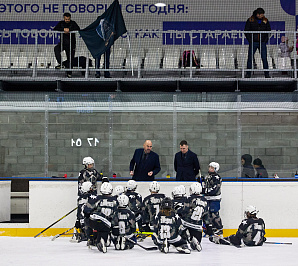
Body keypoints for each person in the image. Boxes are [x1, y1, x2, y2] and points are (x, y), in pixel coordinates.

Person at [83, 182, 118, 253]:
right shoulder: (115, 200)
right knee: (104, 230)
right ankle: (104, 240)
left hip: (95, 220)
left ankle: (92, 239)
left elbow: (86, 210)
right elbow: (116, 215)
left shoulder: (96, 198)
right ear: (111, 190)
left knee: (88, 220)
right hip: (106, 224)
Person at [179, 183, 208, 252]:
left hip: (187, 224)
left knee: (180, 236)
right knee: (195, 245)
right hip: (198, 226)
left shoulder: (188, 199)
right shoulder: (205, 200)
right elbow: (206, 215)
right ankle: (194, 239)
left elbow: (183, 211)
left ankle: (188, 238)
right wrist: (208, 227)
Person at [244, 8, 271, 78]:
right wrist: (250, 40)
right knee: (250, 58)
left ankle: (267, 74)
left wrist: (265, 40)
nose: (262, 15)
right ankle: (248, 74)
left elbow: (269, 30)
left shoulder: (265, 20)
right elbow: (246, 31)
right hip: (253, 42)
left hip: (262, 42)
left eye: (263, 14)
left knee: (264, 58)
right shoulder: (250, 20)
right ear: (257, 14)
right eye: (261, 14)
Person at [53, 12, 80, 78]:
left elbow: (78, 28)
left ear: (70, 18)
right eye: (66, 19)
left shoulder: (73, 23)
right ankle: (61, 63)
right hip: (63, 44)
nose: (67, 20)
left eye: (68, 19)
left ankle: (69, 73)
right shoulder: (61, 23)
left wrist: (69, 30)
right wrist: (63, 29)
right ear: (64, 18)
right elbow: (55, 28)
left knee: (70, 59)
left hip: (71, 45)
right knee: (56, 48)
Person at [201, 162, 223, 236]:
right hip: (207, 198)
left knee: (214, 214)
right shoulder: (208, 177)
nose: (210, 169)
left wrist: (205, 191)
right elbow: (206, 186)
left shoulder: (217, 178)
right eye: (209, 167)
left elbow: (215, 189)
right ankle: (210, 230)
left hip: (215, 199)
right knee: (208, 215)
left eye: (212, 168)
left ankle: (219, 229)